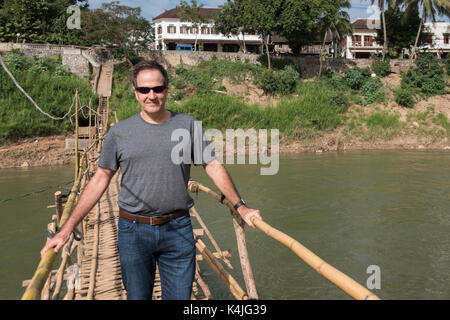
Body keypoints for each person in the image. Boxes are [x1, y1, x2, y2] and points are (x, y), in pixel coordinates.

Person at [40, 60, 262, 300]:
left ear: (166, 90)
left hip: (178, 229)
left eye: (157, 89)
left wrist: (241, 206)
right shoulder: (119, 133)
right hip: (133, 231)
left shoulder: (188, 125)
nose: (151, 95)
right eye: (144, 90)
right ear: (136, 93)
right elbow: (100, 178)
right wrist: (68, 228)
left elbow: (213, 166)